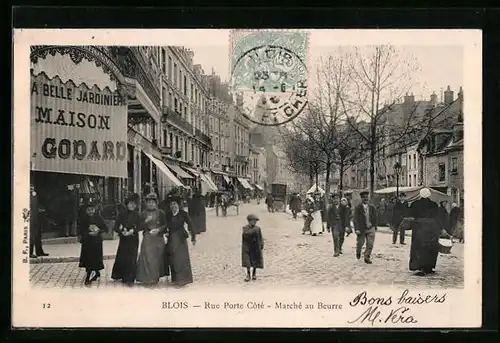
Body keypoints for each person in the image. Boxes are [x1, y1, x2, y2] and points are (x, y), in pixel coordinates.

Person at [408, 188, 451, 276]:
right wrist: (441, 228)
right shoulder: (434, 205)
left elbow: (410, 215)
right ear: (429, 195)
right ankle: (429, 267)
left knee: (418, 247)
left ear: (420, 195)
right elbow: (437, 218)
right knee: (430, 247)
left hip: (418, 227)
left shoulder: (415, 204)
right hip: (431, 228)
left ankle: (419, 266)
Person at [162, 196, 196, 287]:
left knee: (181, 259)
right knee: (172, 259)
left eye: (175, 204)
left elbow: (190, 224)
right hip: (171, 239)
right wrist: (165, 232)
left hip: (181, 239)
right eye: (171, 204)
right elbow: (165, 226)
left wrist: (193, 236)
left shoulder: (183, 214)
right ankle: (175, 279)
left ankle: (183, 280)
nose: (173, 206)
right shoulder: (168, 215)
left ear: (178, 205)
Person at [136, 193, 167, 286]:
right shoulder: (143, 214)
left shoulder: (160, 213)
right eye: (149, 202)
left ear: (156, 203)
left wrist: (159, 230)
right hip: (148, 238)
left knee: (157, 258)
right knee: (148, 258)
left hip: (158, 238)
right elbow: (138, 227)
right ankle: (147, 278)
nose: (151, 204)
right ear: (146, 204)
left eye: (152, 202)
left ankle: (155, 278)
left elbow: (165, 225)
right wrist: (146, 222)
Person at [111, 193, 141, 286]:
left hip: (133, 239)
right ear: (127, 204)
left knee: (132, 258)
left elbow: (140, 226)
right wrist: (121, 231)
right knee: (122, 257)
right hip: (124, 239)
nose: (132, 205)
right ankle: (121, 275)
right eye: (130, 203)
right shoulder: (122, 214)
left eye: (134, 204)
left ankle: (130, 278)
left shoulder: (137, 214)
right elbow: (116, 226)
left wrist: (133, 230)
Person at [78, 198, 106, 286]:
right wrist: (87, 233)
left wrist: (99, 231)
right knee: (88, 260)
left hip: (97, 242)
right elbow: (80, 230)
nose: (91, 212)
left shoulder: (98, 218)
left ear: (95, 209)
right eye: (89, 210)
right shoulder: (83, 219)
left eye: (92, 209)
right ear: (86, 211)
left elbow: (105, 228)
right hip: (87, 242)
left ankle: (96, 272)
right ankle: (88, 277)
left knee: (95, 259)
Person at [353, 191, 377, 264]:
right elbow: (355, 219)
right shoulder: (358, 208)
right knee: (360, 243)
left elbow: (375, 217)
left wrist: (375, 226)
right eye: (364, 197)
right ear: (361, 198)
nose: (366, 199)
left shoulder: (372, 207)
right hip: (361, 229)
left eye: (367, 197)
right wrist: (356, 229)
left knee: (370, 244)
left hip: (370, 228)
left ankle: (367, 257)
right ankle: (358, 251)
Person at [241, 214, 264, 282]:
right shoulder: (245, 228)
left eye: (255, 221)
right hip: (247, 247)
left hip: (255, 247)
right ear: (249, 221)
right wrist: (254, 229)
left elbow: (260, 237)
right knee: (247, 262)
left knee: (255, 261)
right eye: (253, 221)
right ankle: (248, 274)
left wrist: (262, 244)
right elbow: (247, 234)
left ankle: (254, 273)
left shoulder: (258, 228)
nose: (255, 222)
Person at [29, 185, 49, 258]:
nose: (32, 189)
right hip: (30, 218)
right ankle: (29, 253)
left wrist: (40, 209)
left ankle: (39, 251)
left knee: (38, 235)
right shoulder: (26, 196)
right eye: (30, 188)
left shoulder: (34, 195)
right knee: (31, 236)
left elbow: (36, 205)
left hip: (36, 218)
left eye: (33, 188)